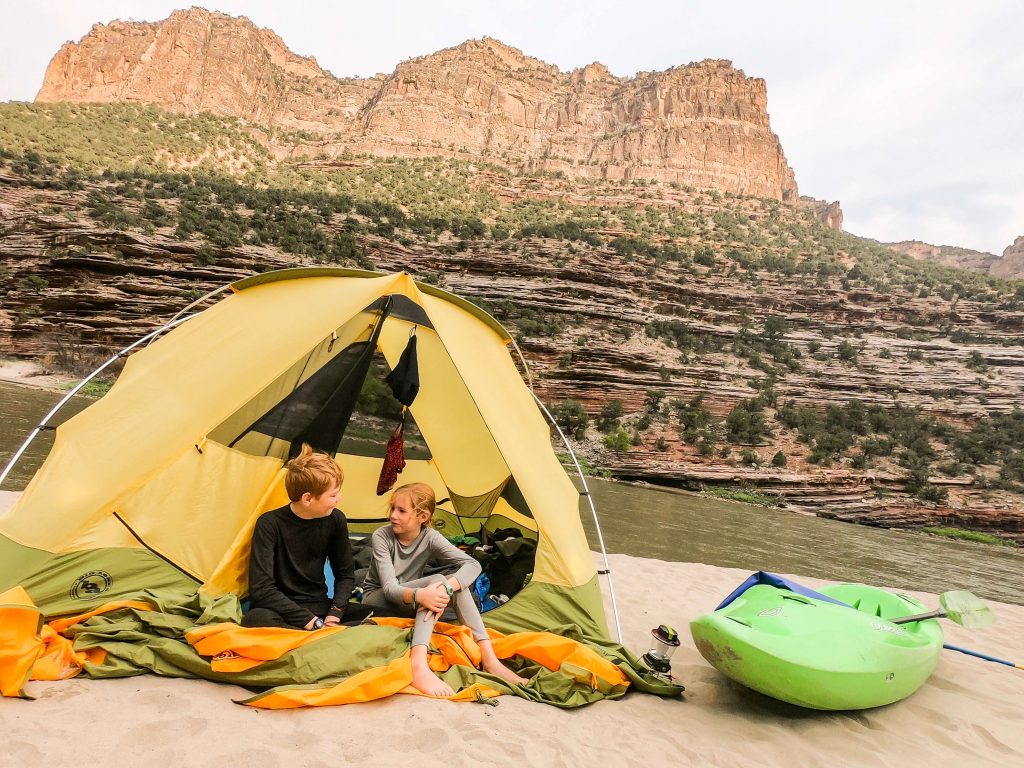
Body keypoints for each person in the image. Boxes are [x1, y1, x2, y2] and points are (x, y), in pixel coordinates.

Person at [361, 482, 529, 696]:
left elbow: (473, 564)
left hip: (413, 599)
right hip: (378, 599)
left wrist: (447, 588)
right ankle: (418, 666)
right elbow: (390, 589)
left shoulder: (430, 537)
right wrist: (423, 593)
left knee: (449, 583)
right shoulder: (382, 537)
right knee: (437, 580)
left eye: (401, 511)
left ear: (422, 516)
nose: (393, 515)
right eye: (393, 508)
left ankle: (489, 658)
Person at [243, 443, 367, 629]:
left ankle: (317, 638)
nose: (339, 498)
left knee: (389, 615)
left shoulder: (336, 519)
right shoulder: (269, 524)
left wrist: (335, 613)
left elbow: (345, 574)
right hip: (280, 609)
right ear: (307, 498)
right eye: (333, 495)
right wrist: (312, 623)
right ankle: (326, 637)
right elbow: (262, 590)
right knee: (257, 620)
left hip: (320, 605)